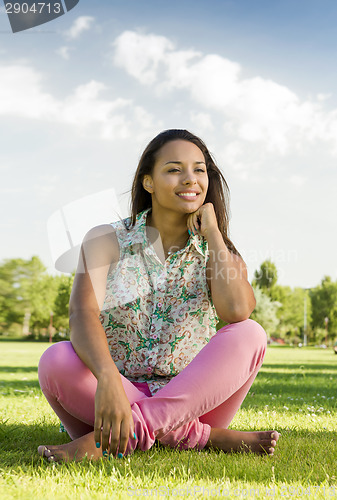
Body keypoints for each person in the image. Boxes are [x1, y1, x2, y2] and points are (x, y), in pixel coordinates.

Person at [38, 129, 279, 462]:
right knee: (56, 359)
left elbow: (237, 311)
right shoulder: (105, 240)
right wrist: (107, 378)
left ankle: (107, 441)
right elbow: (83, 314)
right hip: (111, 398)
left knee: (251, 333)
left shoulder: (219, 252)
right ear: (148, 181)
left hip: (194, 403)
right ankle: (208, 439)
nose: (190, 179)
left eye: (199, 169)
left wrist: (212, 232)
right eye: (174, 169)